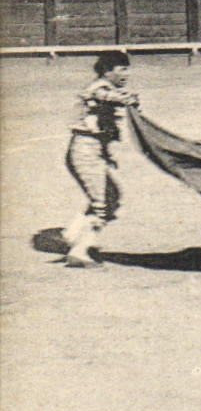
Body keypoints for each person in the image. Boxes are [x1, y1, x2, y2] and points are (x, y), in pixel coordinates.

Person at [62, 50, 140, 268]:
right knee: (104, 202)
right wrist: (126, 99)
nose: (127, 73)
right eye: (122, 69)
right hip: (86, 152)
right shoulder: (100, 87)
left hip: (91, 151)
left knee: (111, 196)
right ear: (107, 71)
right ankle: (79, 251)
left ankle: (70, 235)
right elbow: (104, 95)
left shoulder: (108, 87)